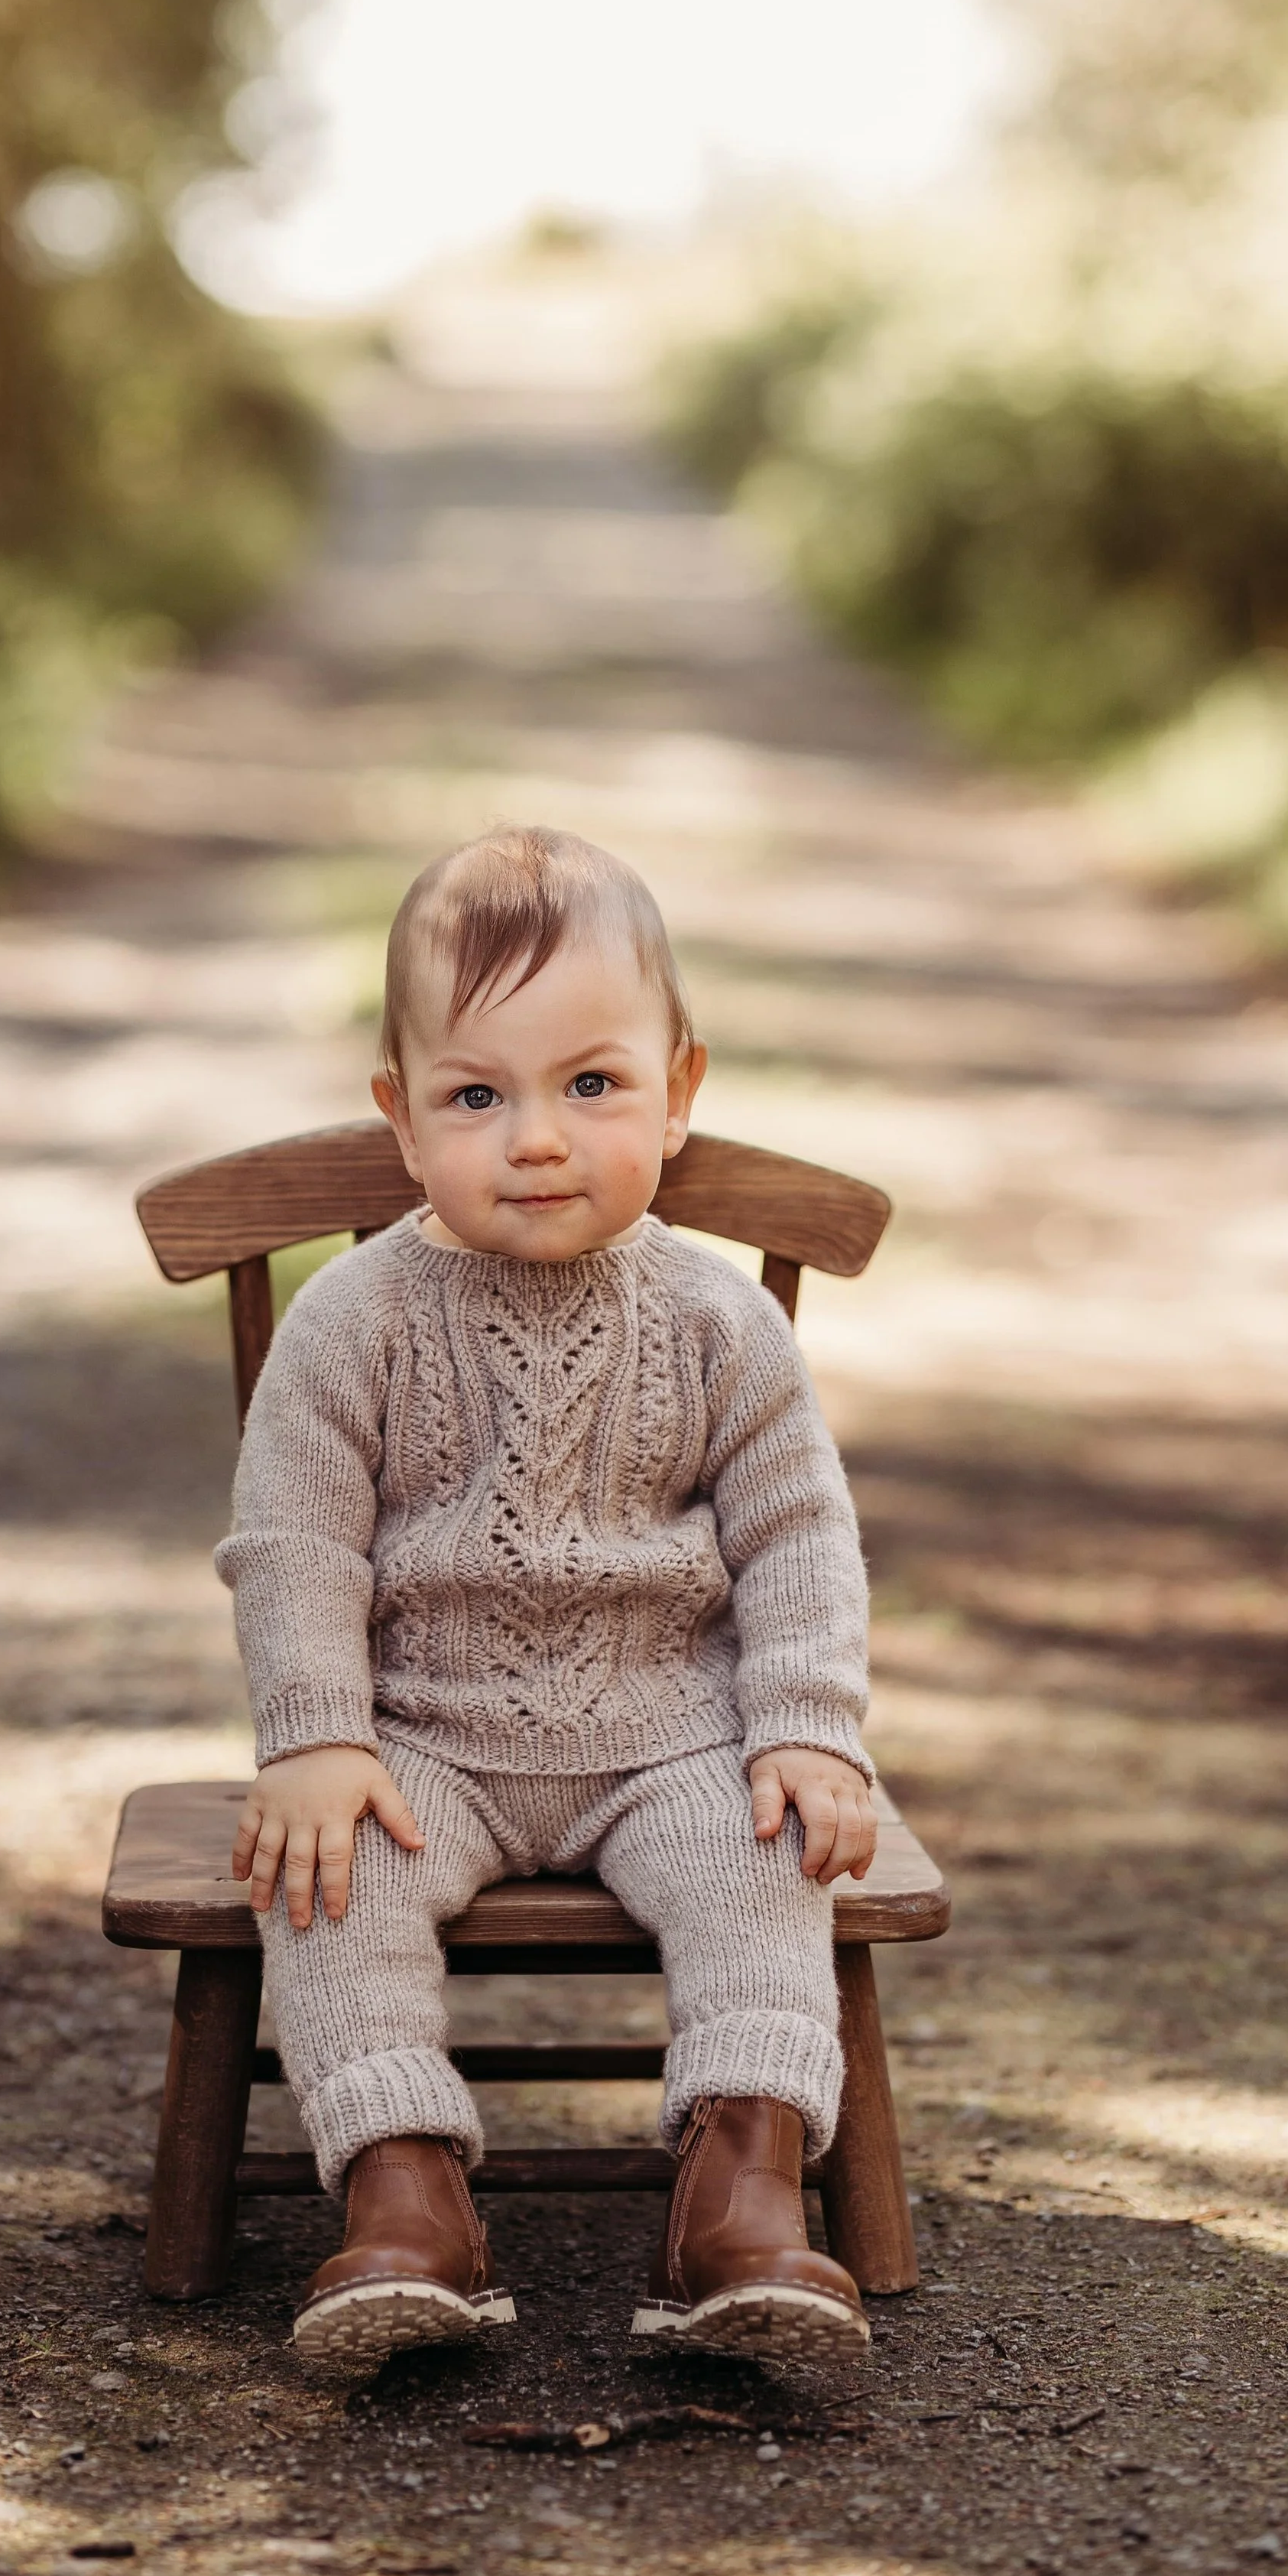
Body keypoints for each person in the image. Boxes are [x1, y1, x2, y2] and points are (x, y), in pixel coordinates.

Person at [217, 824, 878, 2368]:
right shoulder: (353, 1315)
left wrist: (802, 1723)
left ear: (679, 1087)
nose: (535, 1137)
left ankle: (743, 2187)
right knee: (324, 1874)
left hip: (670, 1736)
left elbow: (796, 1531)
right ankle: (403, 2190)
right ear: (400, 1116)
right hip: (417, 1745)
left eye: (590, 1084)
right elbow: (293, 1538)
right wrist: (317, 1734)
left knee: (765, 1856)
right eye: (474, 1093)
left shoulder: (719, 1323)